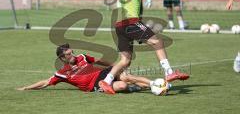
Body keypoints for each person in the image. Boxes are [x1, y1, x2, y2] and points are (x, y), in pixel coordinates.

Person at [98, 0, 189, 94]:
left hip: (120, 25)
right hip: (130, 22)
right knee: (157, 41)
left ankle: (106, 81)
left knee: (125, 60)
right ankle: (169, 72)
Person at [17, 44, 164, 94]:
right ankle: (140, 87)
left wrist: (115, 66)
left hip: (104, 73)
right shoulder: (63, 73)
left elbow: (99, 61)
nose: (72, 53)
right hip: (95, 86)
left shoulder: (82, 57)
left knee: (125, 76)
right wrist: (26, 88)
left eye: (71, 51)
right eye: (68, 53)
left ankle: (155, 84)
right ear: (62, 58)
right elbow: (46, 82)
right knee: (123, 85)